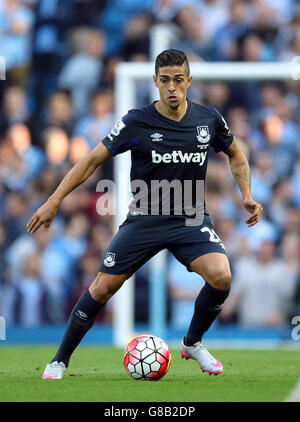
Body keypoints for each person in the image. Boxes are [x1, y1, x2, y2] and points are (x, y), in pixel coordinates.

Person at [27, 49, 263, 379]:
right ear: (155, 81)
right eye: (164, 80)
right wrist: (54, 200)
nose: (171, 87)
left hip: (190, 218)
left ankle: (192, 342)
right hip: (146, 217)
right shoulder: (136, 121)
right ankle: (60, 360)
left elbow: (236, 154)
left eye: (178, 81)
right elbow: (91, 161)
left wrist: (248, 195)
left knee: (222, 275)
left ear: (188, 81)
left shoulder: (208, 119)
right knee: (101, 289)